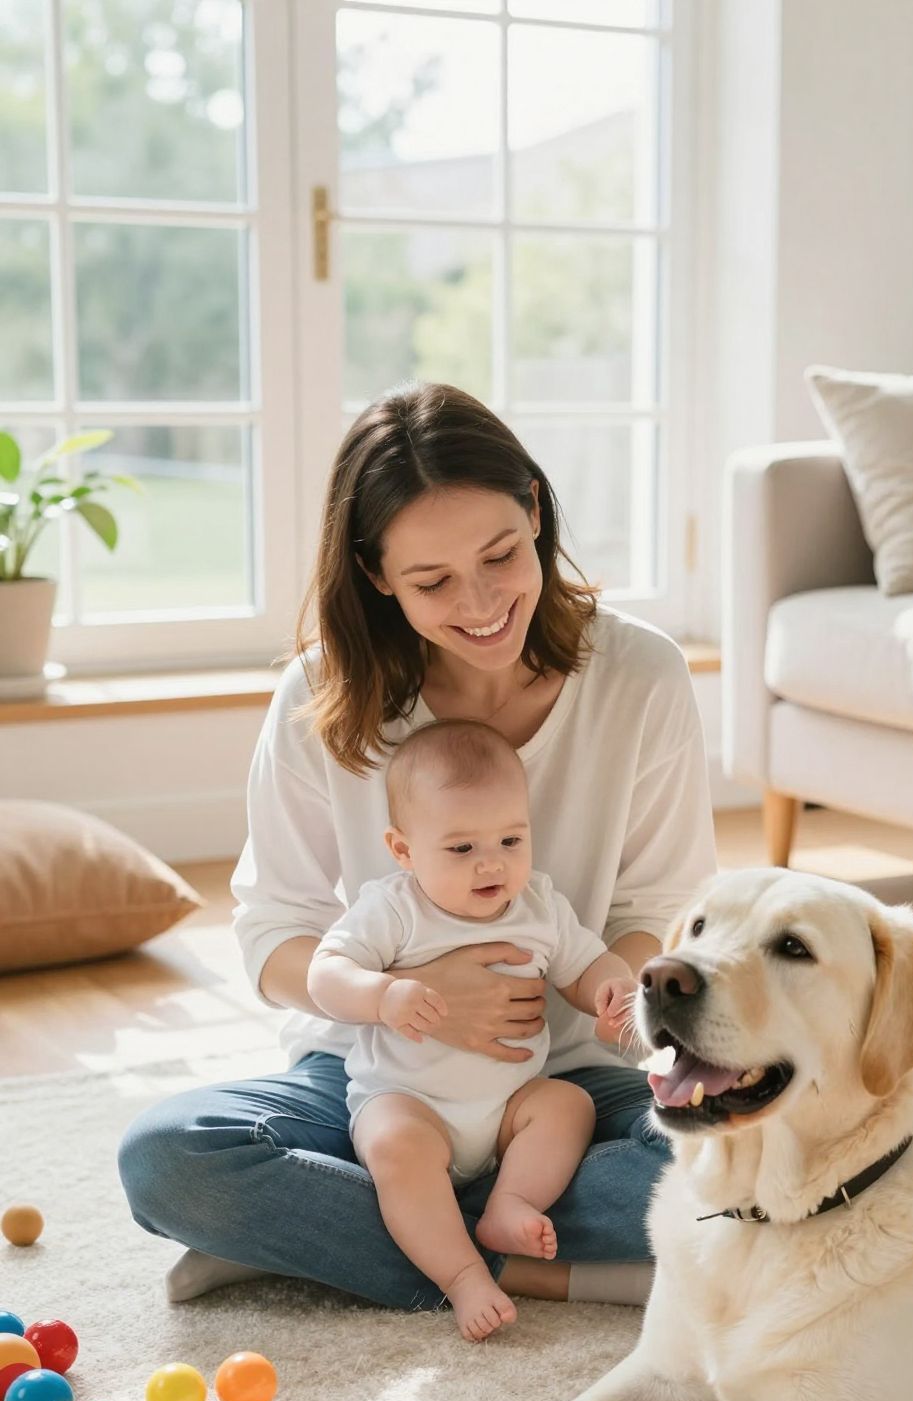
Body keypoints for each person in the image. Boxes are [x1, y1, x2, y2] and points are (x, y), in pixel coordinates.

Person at [117, 381, 716, 1312]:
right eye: (432, 582)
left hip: (565, 1084)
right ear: (375, 574)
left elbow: (661, 908)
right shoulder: (323, 699)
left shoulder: (639, 673)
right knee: (170, 1158)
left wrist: (606, 991)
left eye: (502, 555)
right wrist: (407, 1002)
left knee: (741, 1169)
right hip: (376, 1079)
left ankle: (347, 1235)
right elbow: (275, 935)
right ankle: (504, 1251)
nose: (481, 604)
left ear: (534, 510)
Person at [307, 719, 637, 1339]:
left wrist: (612, 989)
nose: (492, 864)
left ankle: (508, 1204)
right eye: (461, 849)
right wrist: (381, 994)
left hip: (508, 1110)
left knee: (567, 1104)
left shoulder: (540, 906)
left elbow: (586, 965)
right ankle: (463, 1275)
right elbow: (326, 973)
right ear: (404, 850)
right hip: (410, 1102)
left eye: (511, 840)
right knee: (394, 1146)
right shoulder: (394, 908)